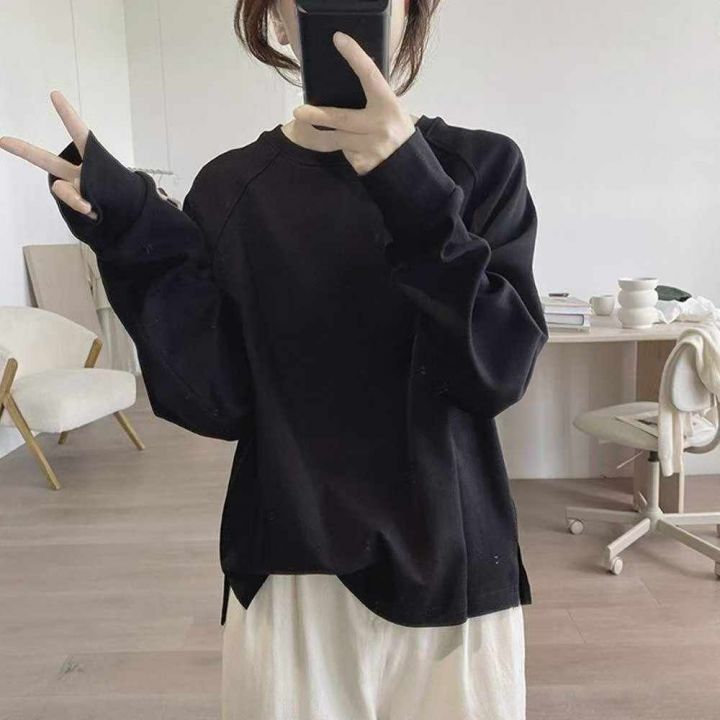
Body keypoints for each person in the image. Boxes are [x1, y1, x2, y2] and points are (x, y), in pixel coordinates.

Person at [0, 0, 548, 717]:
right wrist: (137, 234)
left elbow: (496, 371)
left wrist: (410, 187)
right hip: (290, 563)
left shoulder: (481, 168)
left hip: (454, 563)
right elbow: (215, 400)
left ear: (409, 12)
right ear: (278, 21)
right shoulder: (231, 189)